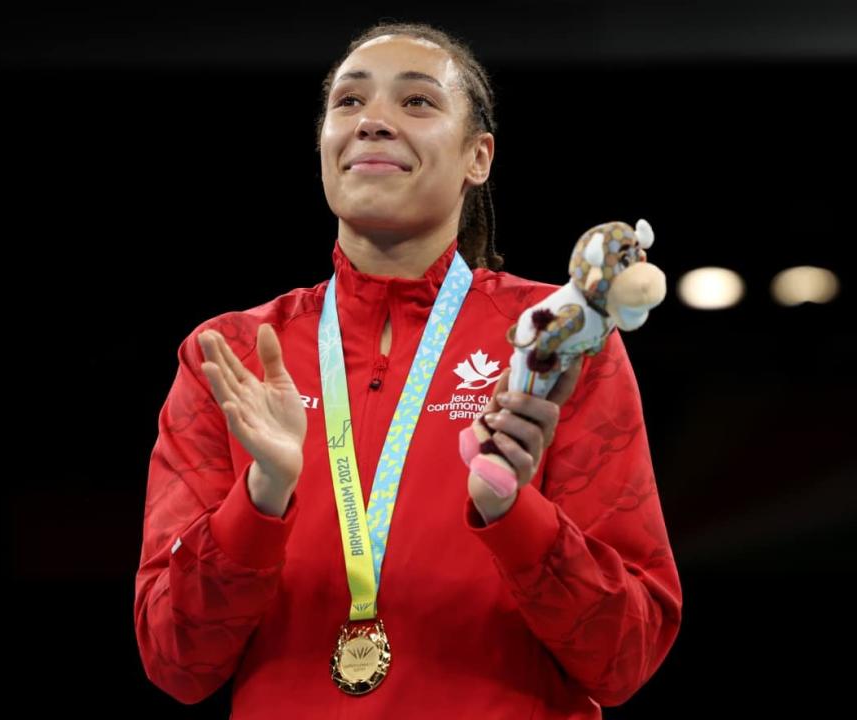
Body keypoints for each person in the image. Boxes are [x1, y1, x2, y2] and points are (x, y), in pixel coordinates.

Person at [134, 21, 682, 718]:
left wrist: (515, 512)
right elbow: (175, 661)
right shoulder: (231, 354)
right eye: (348, 103)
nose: (373, 123)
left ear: (478, 156)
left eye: (417, 102)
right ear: (324, 146)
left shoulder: (555, 342)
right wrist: (261, 496)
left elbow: (624, 658)